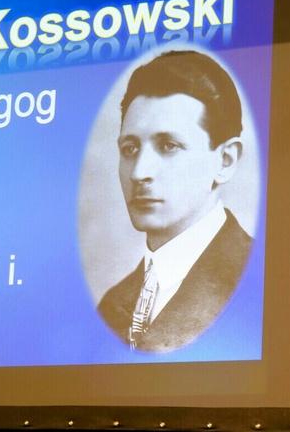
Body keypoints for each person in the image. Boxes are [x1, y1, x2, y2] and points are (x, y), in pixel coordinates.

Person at [97, 50, 252, 352]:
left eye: (168, 146)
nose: (139, 173)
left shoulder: (257, 282)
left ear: (225, 160)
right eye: (130, 149)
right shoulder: (111, 305)